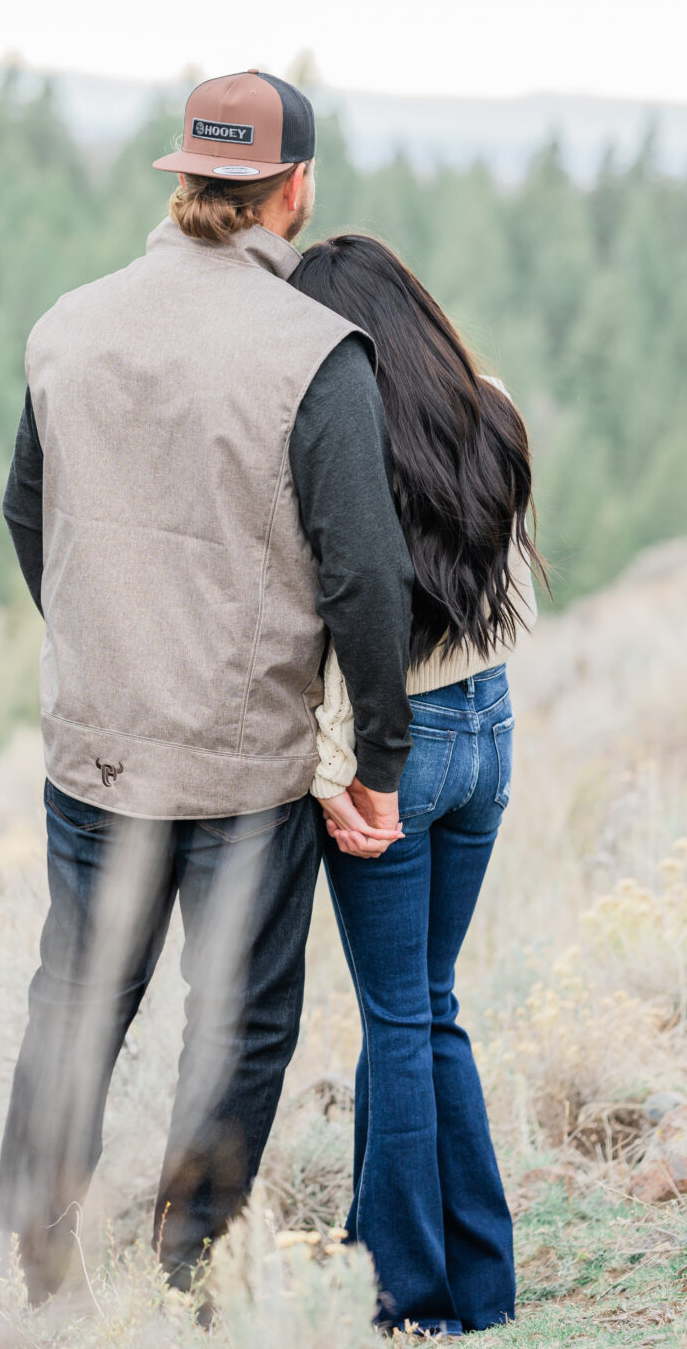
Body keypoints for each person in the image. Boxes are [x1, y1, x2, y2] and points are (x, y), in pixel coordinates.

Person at [0, 71, 415, 1307]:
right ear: (296, 189)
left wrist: (103, 643)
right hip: (242, 764)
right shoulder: (312, 353)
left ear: (182, 178)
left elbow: (28, 511)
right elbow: (368, 578)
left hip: (100, 751)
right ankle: (185, 1271)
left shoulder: (70, 323)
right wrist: (378, 758)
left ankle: (34, 1256)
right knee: (235, 1018)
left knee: (75, 998)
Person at [290, 232, 545, 1337]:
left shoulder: (347, 433)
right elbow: (510, 595)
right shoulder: (489, 404)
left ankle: (409, 1301)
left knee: (400, 1016)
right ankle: (475, 1285)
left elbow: (347, 615)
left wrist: (327, 765)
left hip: (398, 746)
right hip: (490, 727)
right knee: (431, 1008)